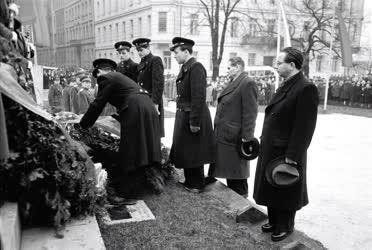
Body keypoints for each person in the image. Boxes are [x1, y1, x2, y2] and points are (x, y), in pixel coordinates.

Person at [253, 47, 319, 242]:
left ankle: (285, 226)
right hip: (273, 147)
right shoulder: (287, 84)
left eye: (279, 62)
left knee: (285, 186)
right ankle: (274, 220)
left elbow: (304, 127)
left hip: (286, 150)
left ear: (292, 65)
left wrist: (293, 155)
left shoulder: (305, 88)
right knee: (272, 185)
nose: (276, 65)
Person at [78, 58, 161, 188]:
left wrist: (83, 124)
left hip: (135, 108)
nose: (98, 78)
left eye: (97, 75)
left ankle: (129, 185)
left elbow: (98, 104)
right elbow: (126, 96)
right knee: (145, 143)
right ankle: (149, 177)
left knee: (130, 146)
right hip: (147, 106)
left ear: (99, 71)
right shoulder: (119, 77)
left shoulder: (105, 78)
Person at [207, 57, 258, 198]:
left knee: (237, 175)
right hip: (225, 135)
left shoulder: (247, 83)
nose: (227, 70)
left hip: (235, 137)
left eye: (229, 68)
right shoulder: (235, 82)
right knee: (231, 172)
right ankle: (236, 202)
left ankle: (243, 205)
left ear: (238, 67)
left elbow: (250, 113)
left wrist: (247, 138)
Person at [169, 37, 215, 193]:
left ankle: (196, 184)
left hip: (193, 116)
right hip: (185, 114)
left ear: (186, 51)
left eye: (176, 53)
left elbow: (198, 97)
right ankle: (190, 181)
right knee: (188, 150)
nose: (174, 56)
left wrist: (195, 122)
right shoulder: (186, 67)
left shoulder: (196, 67)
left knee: (195, 151)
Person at [133, 38, 165, 137]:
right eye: (138, 50)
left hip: (151, 100)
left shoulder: (155, 60)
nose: (139, 53)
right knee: (144, 131)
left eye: (141, 50)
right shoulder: (141, 63)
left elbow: (158, 83)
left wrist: (155, 103)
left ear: (148, 48)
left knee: (153, 131)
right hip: (143, 100)